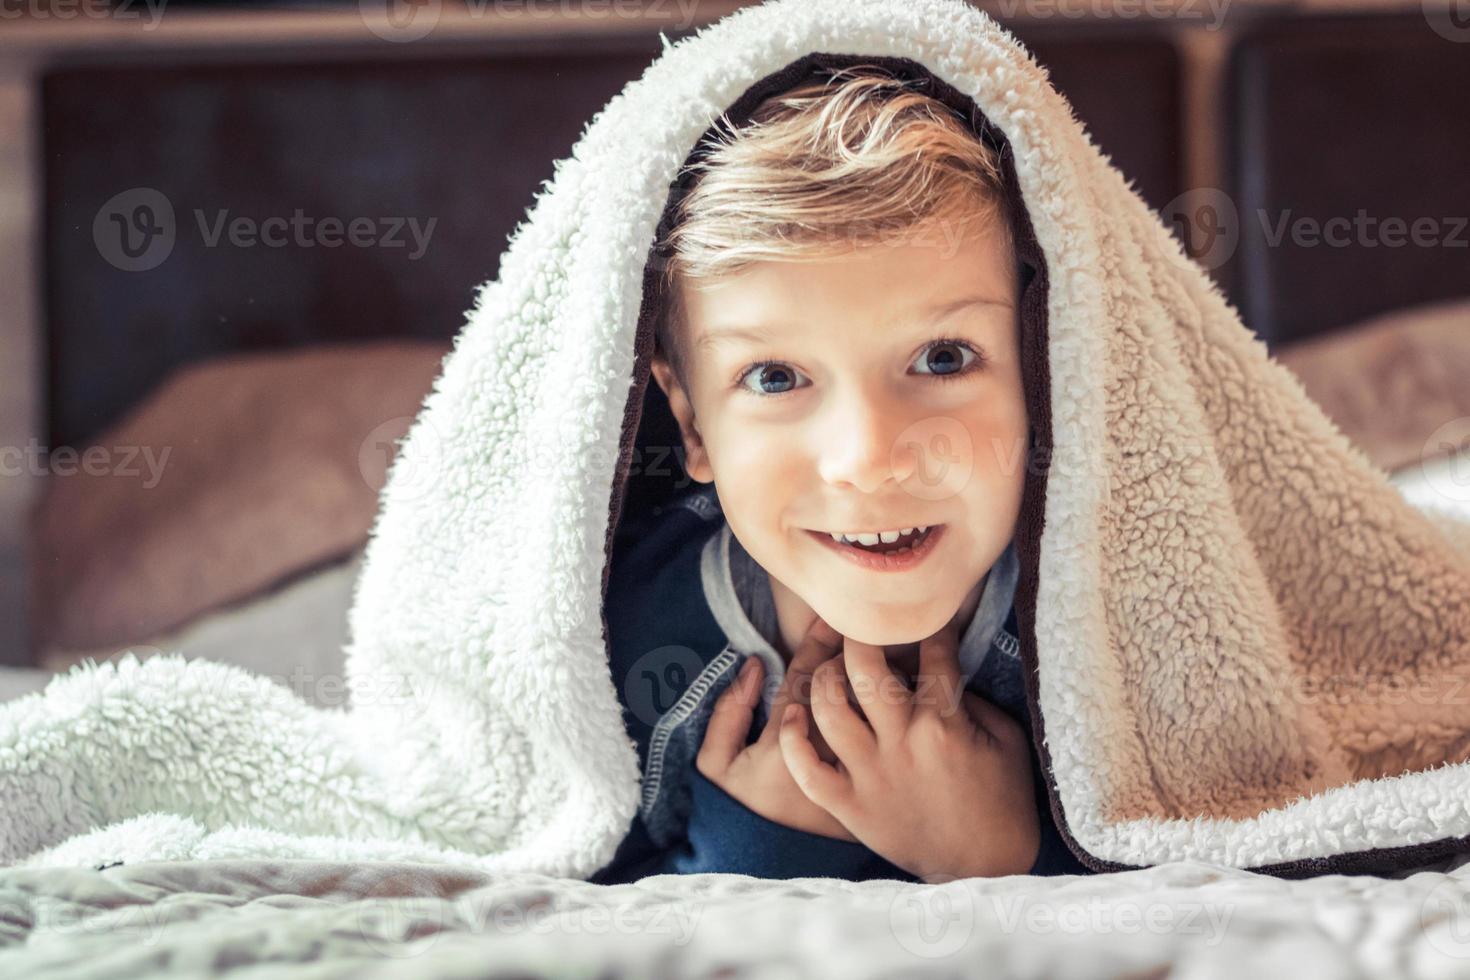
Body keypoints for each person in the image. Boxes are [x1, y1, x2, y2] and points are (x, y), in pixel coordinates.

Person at [592, 67, 1092, 884]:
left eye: (943, 358)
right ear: (690, 422)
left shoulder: (1121, 628)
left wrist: (1004, 857)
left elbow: (1242, 858)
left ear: (1046, 367)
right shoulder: (623, 641)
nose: (866, 459)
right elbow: (553, 887)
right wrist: (763, 847)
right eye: (776, 378)